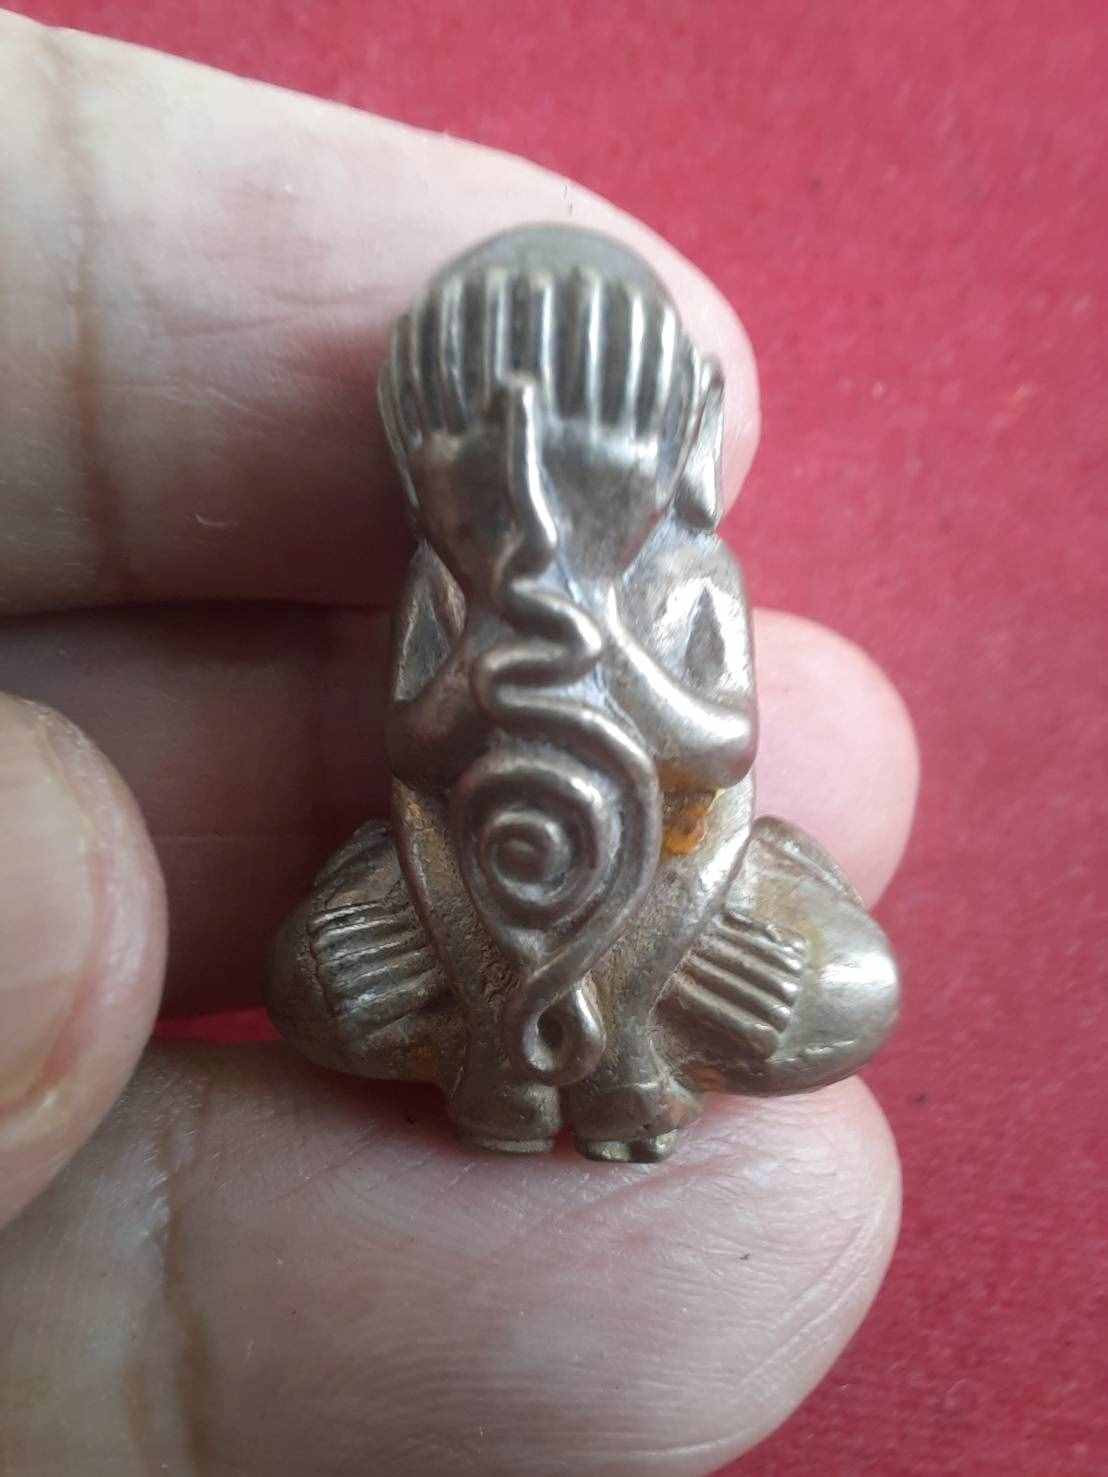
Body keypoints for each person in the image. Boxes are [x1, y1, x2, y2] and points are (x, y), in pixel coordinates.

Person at [0, 13, 918, 1474]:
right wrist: (491, 650)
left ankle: (577, 1048)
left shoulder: (688, 576)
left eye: (587, 471)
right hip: (467, 896)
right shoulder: (448, 582)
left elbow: (717, 744)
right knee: (315, 981)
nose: (531, 514)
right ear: (424, 480)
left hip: (679, 893)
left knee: (848, 988)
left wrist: (603, 648)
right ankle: (539, 1046)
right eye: (483, 486)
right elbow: (419, 746)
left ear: (678, 455)